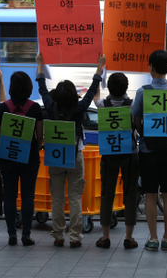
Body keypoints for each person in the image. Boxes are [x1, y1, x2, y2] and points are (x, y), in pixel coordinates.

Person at [36, 52, 105, 248]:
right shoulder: (80, 107)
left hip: (55, 156)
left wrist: (40, 64)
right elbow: (92, 90)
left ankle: (58, 235)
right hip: (75, 156)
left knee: (57, 198)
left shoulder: (50, 107)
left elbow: (42, 88)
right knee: (75, 198)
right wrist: (99, 67)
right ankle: (75, 237)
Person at [131, 50, 167, 251]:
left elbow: (136, 120)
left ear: (150, 67)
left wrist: (145, 133)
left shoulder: (142, 92)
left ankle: (153, 238)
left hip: (147, 150)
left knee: (151, 195)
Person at [0, 71, 44, 246]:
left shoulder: (2, 108)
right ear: (29, 88)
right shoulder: (35, 108)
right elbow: (39, 136)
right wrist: (32, 150)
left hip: (8, 158)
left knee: (9, 195)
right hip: (29, 157)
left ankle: (11, 235)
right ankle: (26, 234)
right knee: (28, 195)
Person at [94, 72, 140, 249]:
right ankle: (129, 237)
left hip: (109, 155)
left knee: (107, 194)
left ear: (110, 87)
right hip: (130, 154)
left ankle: (105, 237)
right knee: (130, 194)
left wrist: (99, 72)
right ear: (126, 88)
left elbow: (96, 96)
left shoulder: (102, 105)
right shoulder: (133, 105)